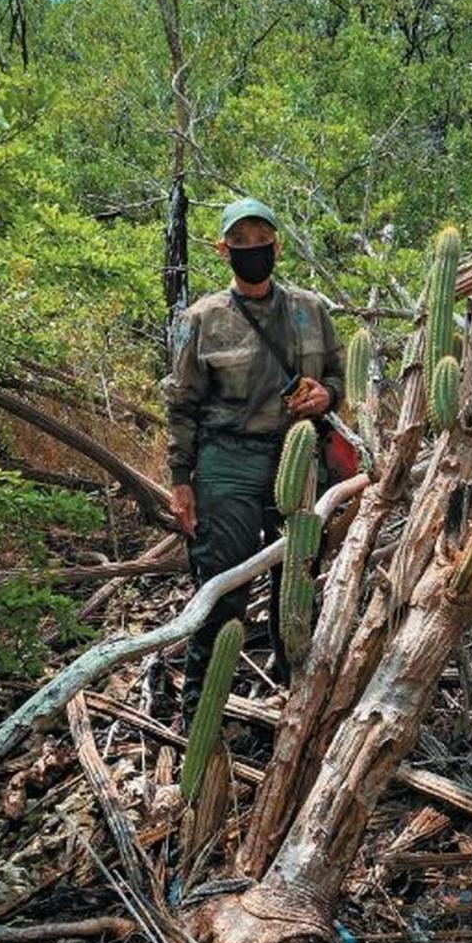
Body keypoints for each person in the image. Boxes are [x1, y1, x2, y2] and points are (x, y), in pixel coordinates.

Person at [161, 197, 344, 716]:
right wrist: (181, 479)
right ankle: (201, 714)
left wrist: (326, 395)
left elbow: (337, 376)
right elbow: (181, 402)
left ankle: (299, 705)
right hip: (228, 464)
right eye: (238, 241)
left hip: (299, 460)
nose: (251, 249)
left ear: (277, 244)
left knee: (297, 588)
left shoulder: (311, 310)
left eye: (259, 238)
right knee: (223, 590)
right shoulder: (204, 318)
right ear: (222, 250)